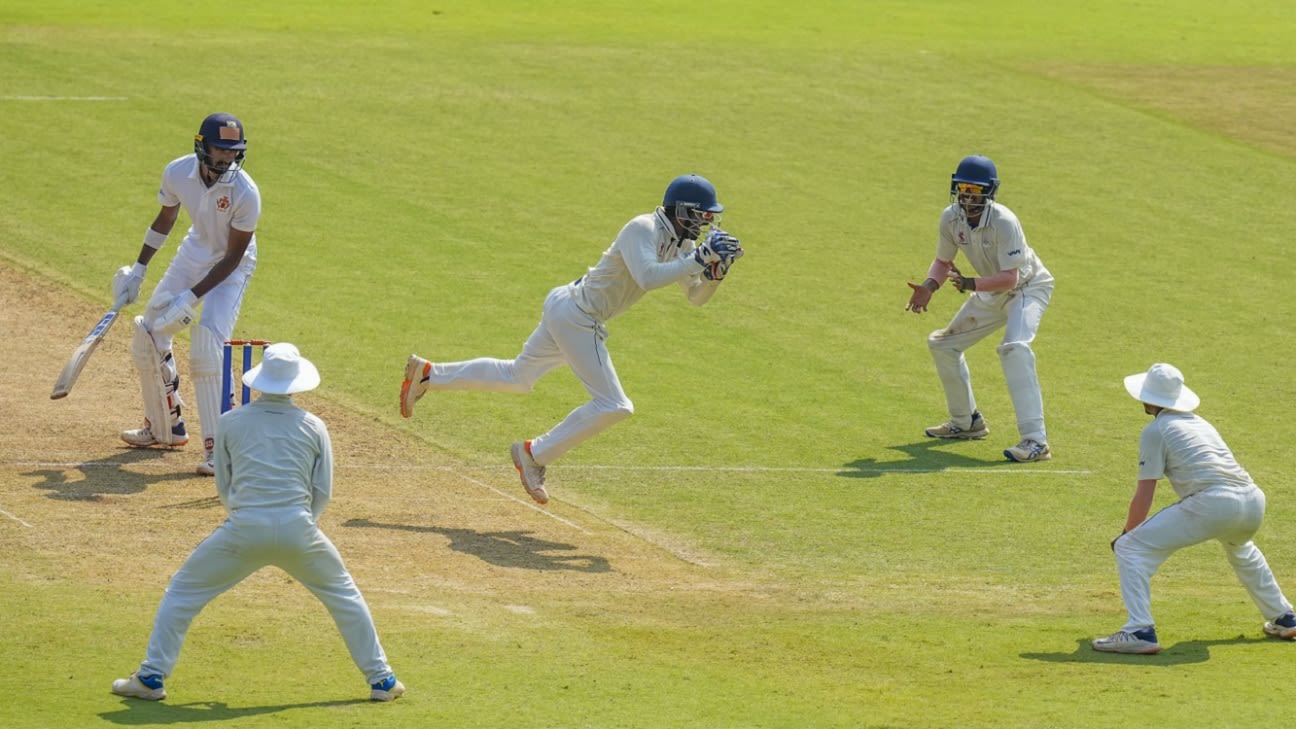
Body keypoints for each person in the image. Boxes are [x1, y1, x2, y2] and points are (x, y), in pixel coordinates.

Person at [400, 174, 743, 505]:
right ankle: (533, 454)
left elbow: (695, 296)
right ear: (682, 211)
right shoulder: (642, 228)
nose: (703, 226)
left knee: (517, 378)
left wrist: (715, 275)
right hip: (579, 317)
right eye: (700, 216)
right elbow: (648, 277)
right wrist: (699, 258)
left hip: (569, 308)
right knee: (615, 405)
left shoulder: (679, 243)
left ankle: (428, 374)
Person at [110, 343, 405, 701]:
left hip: (244, 527)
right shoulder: (314, 426)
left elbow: (224, 483)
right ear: (296, 384)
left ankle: (151, 678)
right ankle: (383, 681)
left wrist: (246, 517)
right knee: (345, 596)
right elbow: (322, 490)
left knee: (183, 593)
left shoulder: (231, 421)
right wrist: (299, 525)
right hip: (300, 528)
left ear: (261, 381)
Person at [1091, 363, 1296, 654]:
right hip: (1252, 501)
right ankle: (1284, 616)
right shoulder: (1201, 423)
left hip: (1214, 503)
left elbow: (1144, 494)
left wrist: (1125, 534)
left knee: (1130, 548)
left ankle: (1139, 630)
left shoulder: (1156, 430)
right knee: (1240, 547)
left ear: (1148, 398)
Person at [112, 112, 261, 476]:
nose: (227, 160)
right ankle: (166, 426)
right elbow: (166, 219)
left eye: (233, 152)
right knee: (149, 331)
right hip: (195, 252)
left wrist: (190, 298)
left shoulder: (245, 192)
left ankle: (218, 451)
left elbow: (231, 258)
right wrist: (139, 269)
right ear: (202, 147)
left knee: (207, 343)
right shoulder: (178, 172)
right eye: (220, 151)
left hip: (232, 267)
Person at [904, 154, 1055, 463]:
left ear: (989, 192)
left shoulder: (1004, 221)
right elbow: (943, 262)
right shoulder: (951, 217)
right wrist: (929, 287)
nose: (967, 196)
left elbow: (1011, 277)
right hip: (990, 290)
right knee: (943, 345)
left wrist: (971, 284)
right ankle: (966, 422)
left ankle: (1036, 441)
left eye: (975, 190)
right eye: (963, 188)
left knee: (1014, 348)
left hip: (1026, 288)